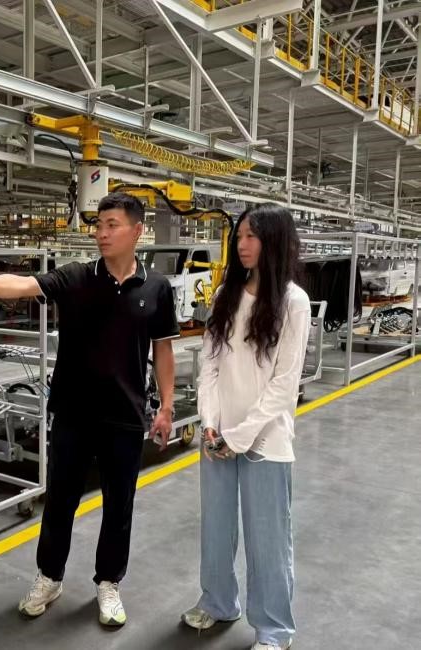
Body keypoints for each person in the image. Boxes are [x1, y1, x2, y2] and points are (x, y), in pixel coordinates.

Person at [0, 192, 179, 627]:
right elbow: (20, 284)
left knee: (119, 507)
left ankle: (109, 582)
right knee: (59, 503)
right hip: (73, 413)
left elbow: (163, 349)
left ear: (137, 231)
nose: (101, 233)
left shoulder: (157, 288)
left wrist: (166, 406)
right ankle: (49, 577)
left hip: (126, 416)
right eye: (98, 225)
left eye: (111, 225)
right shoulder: (77, 277)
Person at [181, 203, 310, 650]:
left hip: (265, 441)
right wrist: (210, 423)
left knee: (268, 539)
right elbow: (210, 366)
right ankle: (218, 602)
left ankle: (274, 628)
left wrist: (239, 436)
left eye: (252, 236)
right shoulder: (226, 294)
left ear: (274, 241)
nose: (242, 244)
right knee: (216, 529)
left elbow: (284, 385)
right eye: (239, 236)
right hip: (219, 437)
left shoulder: (293, 302)